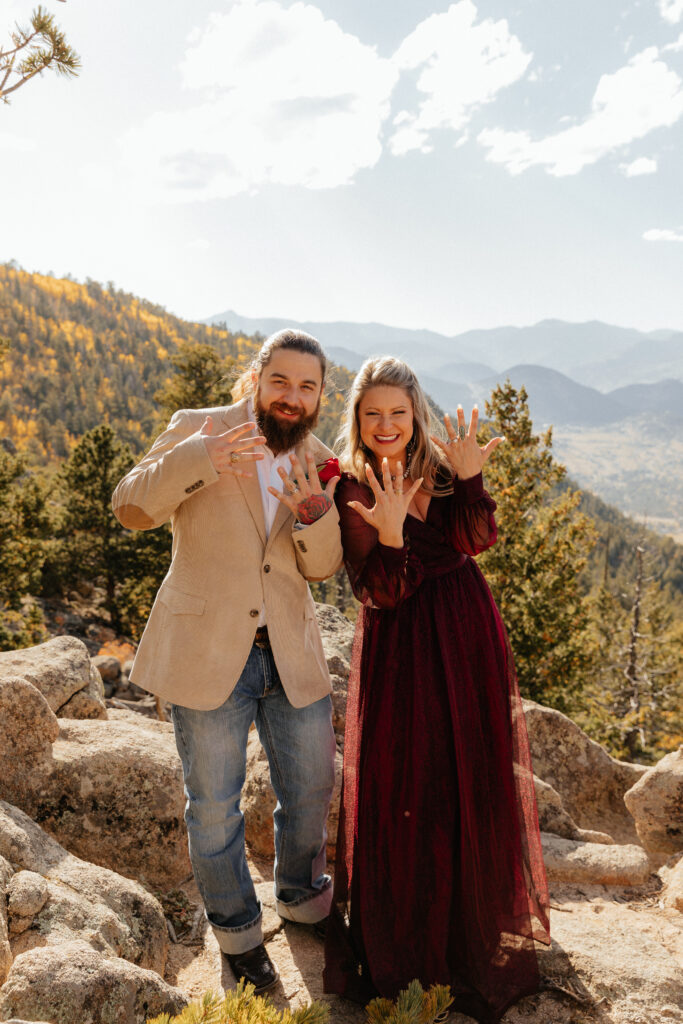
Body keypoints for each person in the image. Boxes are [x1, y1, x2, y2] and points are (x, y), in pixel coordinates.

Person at [112, 329, 343, 994]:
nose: (293, 397)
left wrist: (311, 516)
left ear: (320, 394)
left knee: (309, 794)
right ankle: (239, 936)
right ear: (256, 377)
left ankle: (300, 898)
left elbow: (322, 567)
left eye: (307, 386)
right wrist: (200, 459)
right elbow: (131, 507)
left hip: (291, 654)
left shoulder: (323, 459)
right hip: (207, 651)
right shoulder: (198, 428)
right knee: (213, 808)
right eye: (281, 381)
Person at [322, 356, 550, 1024]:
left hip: (466, 634)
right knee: (407, 783)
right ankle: (406, 944)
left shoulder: (444, 468)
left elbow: (474, 540)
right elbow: (378, 591)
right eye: (372, 415)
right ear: (357, 422)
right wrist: (390, 535)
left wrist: (472, 475)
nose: (385, 425)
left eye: (396, 412)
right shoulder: (352, 486)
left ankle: (467, 936)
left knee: (468, 775)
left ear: (414, 412)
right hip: (401, 652)